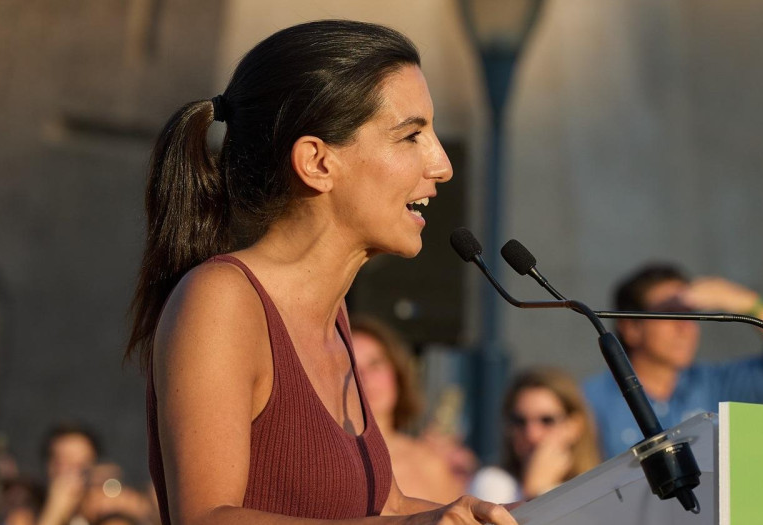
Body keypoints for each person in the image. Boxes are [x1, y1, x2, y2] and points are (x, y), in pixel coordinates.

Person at [125, 20, 515, 525]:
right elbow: (206, 517)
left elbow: (388, 507)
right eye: (412, 135)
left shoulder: (333, 317)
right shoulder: (221, 300)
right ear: (317, 162)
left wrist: (546, 513)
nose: (441, 165)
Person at [583, 263, 763, 458]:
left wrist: (745, 302)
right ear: (631, 328)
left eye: (690, 314)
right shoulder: (590, 402)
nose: (686, 327)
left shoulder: (714, 384)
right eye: (670, 314)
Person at [348, 313, 469, 503]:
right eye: (352, 367)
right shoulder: (322, 462)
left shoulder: (430, 463)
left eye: (375, 364)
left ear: (397, 373)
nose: (365, 378)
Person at [470, 368, 601, 503]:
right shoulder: (493, 482)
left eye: (547, 420)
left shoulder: (599, 488)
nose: (532, 435)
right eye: (519, 421)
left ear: (574, 426)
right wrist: (536, 491)